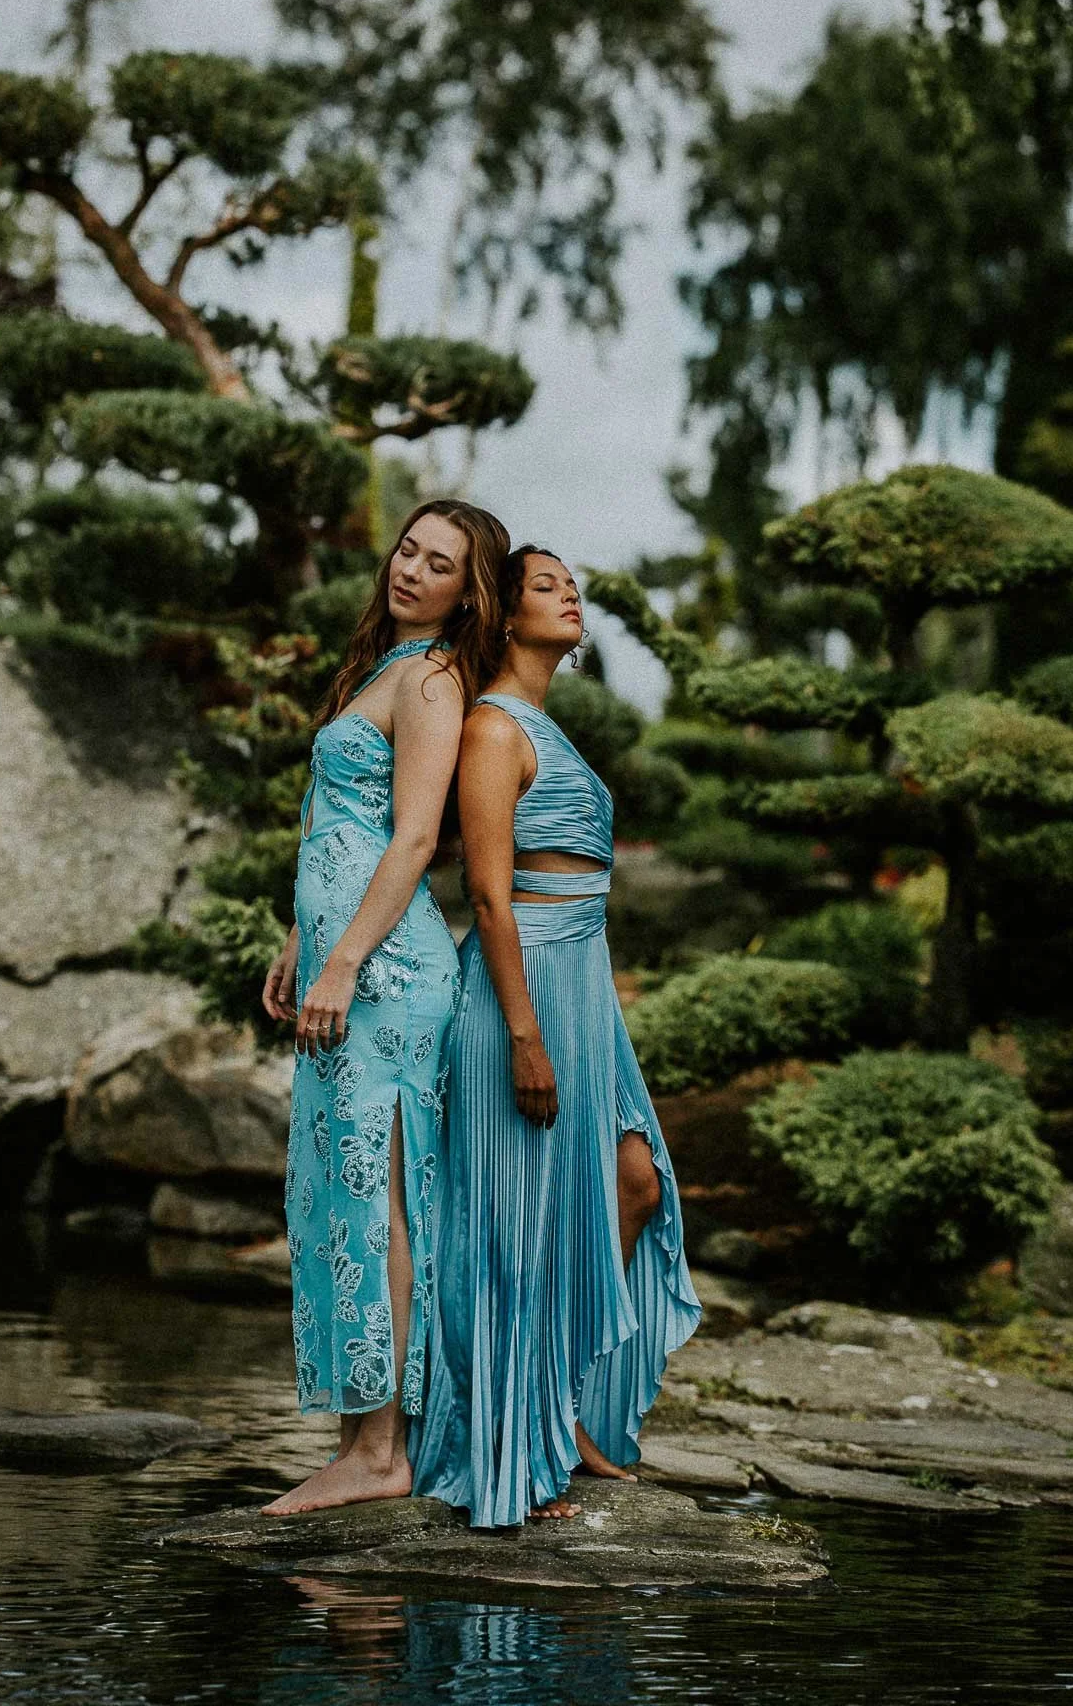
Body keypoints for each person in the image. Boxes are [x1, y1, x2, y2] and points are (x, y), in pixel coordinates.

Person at [412, 545, 702, 1526]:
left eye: (571, 582)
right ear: (501, 612)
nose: (569, 592)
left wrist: (591, 1018)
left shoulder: (543, 725)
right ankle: (506, 1450)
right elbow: (487, 894)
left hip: (580, 990)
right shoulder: (491, 730)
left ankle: (561, 1413)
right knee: (515, 1228)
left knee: (631, 1184)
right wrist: (526, 1037)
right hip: (518, 991)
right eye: (546, 585)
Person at [261, 500, 510, 1517]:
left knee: (380, 1196)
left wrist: (344, 962)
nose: (410, 568)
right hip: (342, 962)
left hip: (391, 978)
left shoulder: (434, 679)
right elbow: (338, 827)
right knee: (334, 1195)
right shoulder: (375, 667)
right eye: (407, 548)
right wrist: (298, 943)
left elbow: (411, 840)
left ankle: (380, 1452)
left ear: (466, 590)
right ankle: (353, 1440)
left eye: (438, 562)